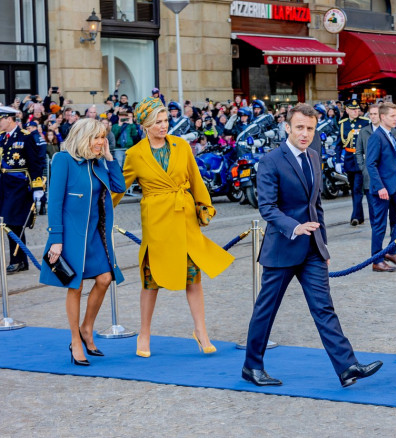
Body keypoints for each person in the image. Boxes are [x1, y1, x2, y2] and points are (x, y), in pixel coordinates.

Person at [241, 103, 383, 388]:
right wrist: (294, 227)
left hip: (312, 251)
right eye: (299, 128)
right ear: (287, 128)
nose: (305, 134)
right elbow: (267, 207)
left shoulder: (315, 156)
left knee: (324, 308)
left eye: (309, 129)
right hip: (282, 248)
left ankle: (347, 367)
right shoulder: (271, 160)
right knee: (265, 311)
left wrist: (324, 246)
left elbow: (316, 207)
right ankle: (252, 366)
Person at [112, 97, 234, 358]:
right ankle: (144, 334)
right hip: (156, 221)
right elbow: (118, 188)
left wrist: (204, 205)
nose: (163, 126)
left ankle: (201, 331)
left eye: (165, 120)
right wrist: (96, 210)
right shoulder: (134, 154)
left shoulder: (181, 146)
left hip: (184, 217)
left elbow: (195, 178)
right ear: (145, 125)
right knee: (151, 280)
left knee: (193, 278)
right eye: (157, 122)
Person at [40, 119, 125, 366]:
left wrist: (109, 157)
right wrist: (56, 239)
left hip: (95, 236)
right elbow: (54, 202)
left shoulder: (98, 162)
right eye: (96, 138)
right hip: (70, 237)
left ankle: (87, 328)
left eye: (103, 138)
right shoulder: (63, 160)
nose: (100, 142)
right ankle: (75, 340)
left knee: (105, 278)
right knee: (74, 286)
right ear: (82, 137)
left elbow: (118, 187)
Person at [366, 102, 396, 272]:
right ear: (383, 117)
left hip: (395, 185)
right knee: (379, 225)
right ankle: (377, 260)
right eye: (393, 116)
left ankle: (391, 250)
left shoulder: (391, 134)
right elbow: (370, 164)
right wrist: (379, 187)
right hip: (382, 188)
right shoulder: (376, 136)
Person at [0, 106, 43, 273]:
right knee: (10, 222)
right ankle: (21, 261)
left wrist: (37, 186)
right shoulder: (2, 138)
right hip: (4, 185)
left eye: (1, 119)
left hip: (19, 185)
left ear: (9, 119)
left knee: (14, 222)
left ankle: (17, 260)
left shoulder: (25, 137)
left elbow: (35, 163)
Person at [337, 99, 370, 226]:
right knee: (353, 189)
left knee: (357, 188)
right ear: (347, 110)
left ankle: (355, 216)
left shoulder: (366, 123)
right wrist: (337, 160)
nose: (356, 111)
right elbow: (339, 144)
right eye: (352, 109)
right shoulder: (342, 124)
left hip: (362, 158)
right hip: (349, 159)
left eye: (357, 109)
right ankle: (360, 216)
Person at [355, 103, 380, 223]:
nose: (373, 116)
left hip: (385, 175)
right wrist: (363, 167)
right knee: (372, 207)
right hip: (369, 175)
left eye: (375, 114)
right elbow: (358, 151)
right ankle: (376, 231)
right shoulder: (364, 131)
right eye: (371, 114)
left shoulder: (389, 130)